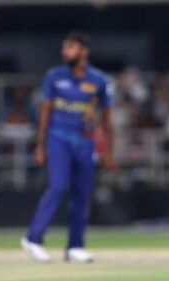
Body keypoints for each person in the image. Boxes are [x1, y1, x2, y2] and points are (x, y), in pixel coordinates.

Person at [21, 32, 116, 263]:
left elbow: (107, 120)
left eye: (71, 47)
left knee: (82, 193)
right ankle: (33, 239)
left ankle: (75, 246)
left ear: (84, 51)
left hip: (85, 141)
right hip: (58, 138)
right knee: (59, 185)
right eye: (65, 47)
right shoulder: (54, 77)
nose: (65, 52)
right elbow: (45, 113)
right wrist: (40, 146)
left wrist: (109, 152)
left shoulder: (100, 80)